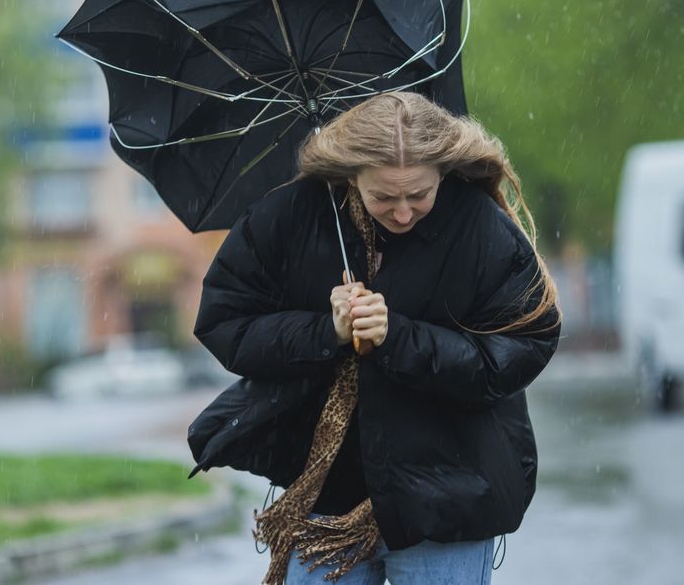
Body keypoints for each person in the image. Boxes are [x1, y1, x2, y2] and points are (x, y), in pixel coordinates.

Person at [188, 91, 562, 584]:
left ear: (443, 173)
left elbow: (518, 350)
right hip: (324, 503)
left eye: (420, 194)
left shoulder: (479, 228)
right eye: (384, 196)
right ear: (350, 176)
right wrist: (327, 331)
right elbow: (226, 324)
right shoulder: (289, 218)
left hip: (447, 500)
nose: (404, 212)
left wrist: (399, 337)